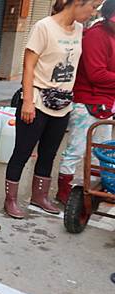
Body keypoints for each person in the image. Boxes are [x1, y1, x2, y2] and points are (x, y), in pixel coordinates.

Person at [4, 0, 102, 219]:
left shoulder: (79, 29)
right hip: (37, 100)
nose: (94, 12)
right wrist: (28, 101)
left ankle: (40, 196)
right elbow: (28, 65)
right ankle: (10, 200)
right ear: (77, 2)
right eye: (93, 6)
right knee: (22, 152)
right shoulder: (44, 27)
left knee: (49, 153)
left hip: (63, 103)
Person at [56, 0, 115, 204]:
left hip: (107, 102)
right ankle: (64, 191)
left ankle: (98, 189)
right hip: (87, 102)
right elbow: (96, 74)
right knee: (76, 150)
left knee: (102, 150)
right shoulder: (96, 36)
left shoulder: (112, 35)